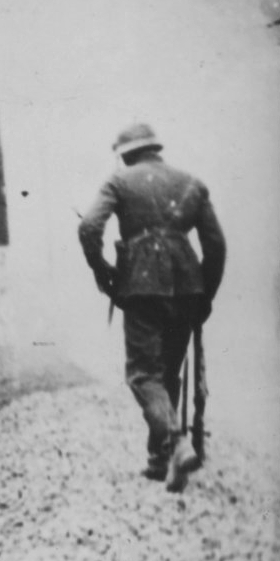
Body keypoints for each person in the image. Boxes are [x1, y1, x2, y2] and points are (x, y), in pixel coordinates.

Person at [78, 122, 226, 492]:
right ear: (155, 149)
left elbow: (88, 227)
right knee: (168, 374)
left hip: (142, 289)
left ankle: (175, 442)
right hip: (187, 291)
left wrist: (105, 272)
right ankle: (160, 459)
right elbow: (216, 246)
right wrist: (204, 295)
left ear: (126, 154)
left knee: (144, 375)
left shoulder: (120, 181)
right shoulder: (191, 183)